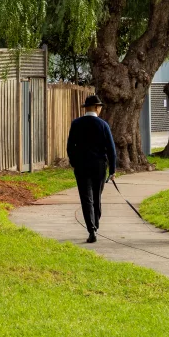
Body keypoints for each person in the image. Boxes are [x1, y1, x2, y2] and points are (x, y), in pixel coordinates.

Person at [66, 95, 117, 243]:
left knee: (85, 198)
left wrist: (74, 162)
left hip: (81, 165)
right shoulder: (103, 125)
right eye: (100, 107)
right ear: (96, 107)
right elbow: (111, 149)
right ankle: (96, 224)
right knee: (96, 196)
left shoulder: (76, 124)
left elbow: (70, 147)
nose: (100, 109)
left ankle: (91, 229)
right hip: (99, 166)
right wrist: (112, 169)